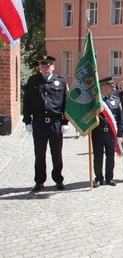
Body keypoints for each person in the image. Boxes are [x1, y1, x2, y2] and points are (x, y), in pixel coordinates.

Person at [23, 55, 69, 192]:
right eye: (43, 66)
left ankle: (58, 180)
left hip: (55, 123)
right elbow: (27, 102)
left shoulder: (60, 82)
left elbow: (65, 103)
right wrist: (27, 121)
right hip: (39, 124)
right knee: (39, 153)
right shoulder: (33, 81)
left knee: (57, 153)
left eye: (48, 66)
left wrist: (65, 121)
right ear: (39, 67)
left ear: (53, 67)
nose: (46, 68)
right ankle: (39, 181)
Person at [92, 77, 123, 187]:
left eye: (114, 86)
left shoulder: (116, 100)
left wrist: (120, 134)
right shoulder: (96, 101)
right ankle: (98, 178)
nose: (113, 88)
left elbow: (120, 118)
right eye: (111, 86)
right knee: (98, 157)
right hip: (98, 132)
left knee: (110, 156)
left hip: (110, 133)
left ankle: (109, 178)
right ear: (103, 87)